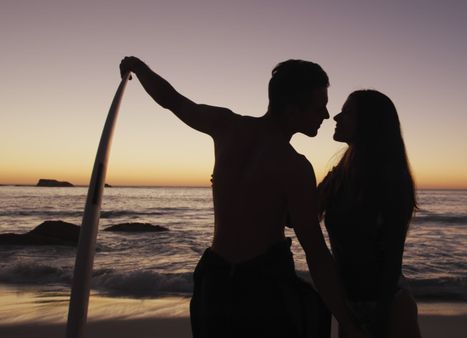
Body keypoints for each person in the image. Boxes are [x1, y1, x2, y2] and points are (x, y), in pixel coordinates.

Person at [119, 57, 368, 338]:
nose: (325, 114)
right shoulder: (294, 166)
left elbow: (172, 100)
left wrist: (139, 68)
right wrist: (347, 321)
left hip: (214, 283)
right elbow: (315, 251)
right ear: (292, 108)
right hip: (263, 288)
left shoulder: (226, 126)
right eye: (319, 104)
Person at [318, 90, 421, 338]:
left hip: (389, 303)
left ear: (369, 122)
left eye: (348, 112)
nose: (336, 117)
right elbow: (294, 218)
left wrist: (381, 316)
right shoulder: (339, 176)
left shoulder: (391, 180)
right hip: (348, 302)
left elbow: (392, 254)